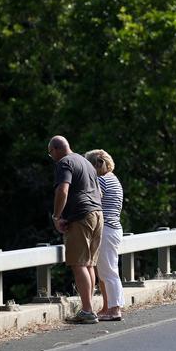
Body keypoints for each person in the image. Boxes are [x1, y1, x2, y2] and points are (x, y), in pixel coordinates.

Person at [48, 135, 104, 324]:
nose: (52, 157)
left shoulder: (64, 163)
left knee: (78, 264)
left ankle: (87, 311)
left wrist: (57, 216)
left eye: (50, 154)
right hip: (97, 213)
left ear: (56, 149)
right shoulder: (85, 161)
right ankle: (90, 309)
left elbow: (63, 190)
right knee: (89, 264)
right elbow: (99, 191)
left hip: (81, 215)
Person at [84, 149, 125, 321]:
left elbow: (92, 200)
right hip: (113, 228)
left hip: (106, 229)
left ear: (98, 164)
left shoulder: (101, 180)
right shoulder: (113, 179)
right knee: (105, 270)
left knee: (108, 271)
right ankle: (107, 307)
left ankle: (115, 309)